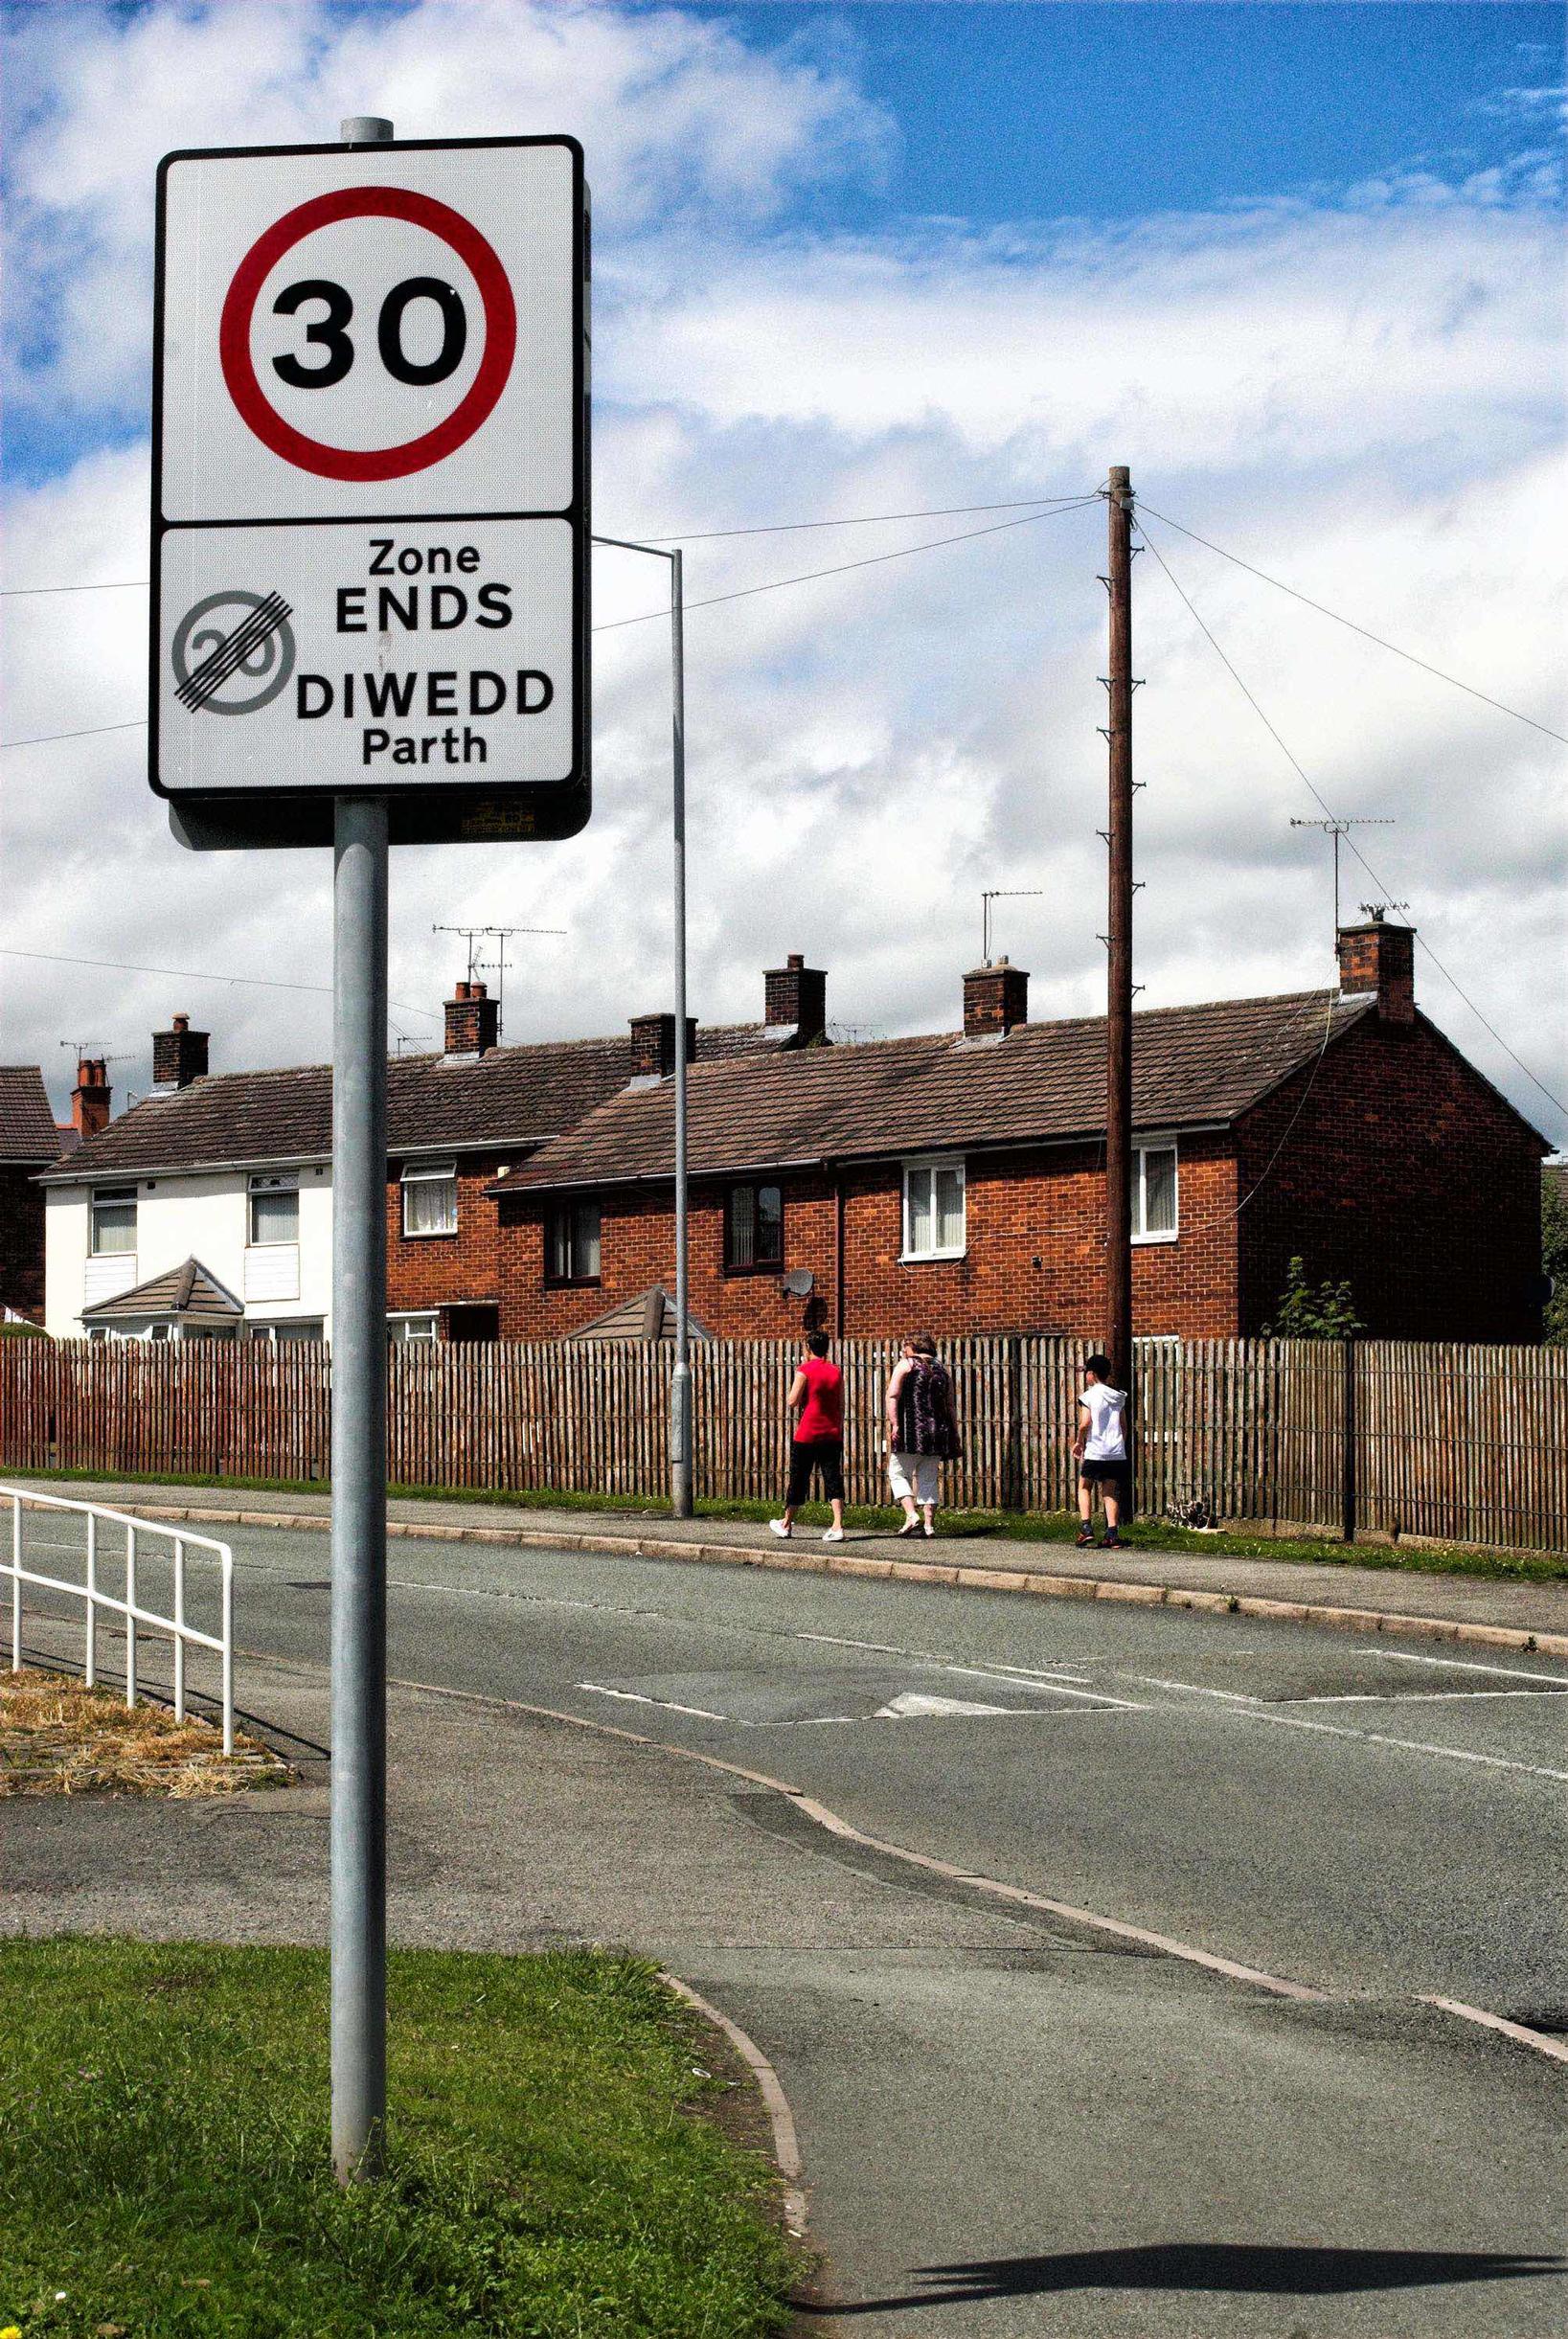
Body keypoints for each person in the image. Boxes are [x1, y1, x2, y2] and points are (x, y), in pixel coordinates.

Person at [771, 1329, 846, 1543]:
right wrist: (837, 1428)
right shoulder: (835, 1371)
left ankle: (786, 1524)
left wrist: (803, 1396)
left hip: (807, 1432)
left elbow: (792, 1401)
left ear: (808, 1348)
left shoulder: (804, 1369)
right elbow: (841, 1405)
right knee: (833, 1478)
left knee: (799, 1478)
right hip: (831, 1433)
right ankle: (838, 1525)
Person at [885, 1331, 956, 1538]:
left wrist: (895, 1424)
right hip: (938, 1432)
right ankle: (929, 1526)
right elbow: (950, 1404)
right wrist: (954, 1431)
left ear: (912, 1347)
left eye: (905, 1347)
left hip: (912, 1429)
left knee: (897, 1472)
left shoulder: (907, 1364)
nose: (903, 1351)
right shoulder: (941, 1370)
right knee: (928, 1477)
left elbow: (893, 1395)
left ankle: (910, 1515)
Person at [1073, 1353, 1126, 1548]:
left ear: (1092, 1374)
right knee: (1109, 1492)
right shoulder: (1119, 1396)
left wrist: (1079, 1442)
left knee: (1084, 1487)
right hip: (1116, 1452)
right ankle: (1112, 1534)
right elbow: (1124, 1426)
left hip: (1096, 1451)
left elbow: (1084, 1423)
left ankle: (1086, 1528)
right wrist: (1119, 1444)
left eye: (1087, 1372)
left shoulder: (1088, 1396)